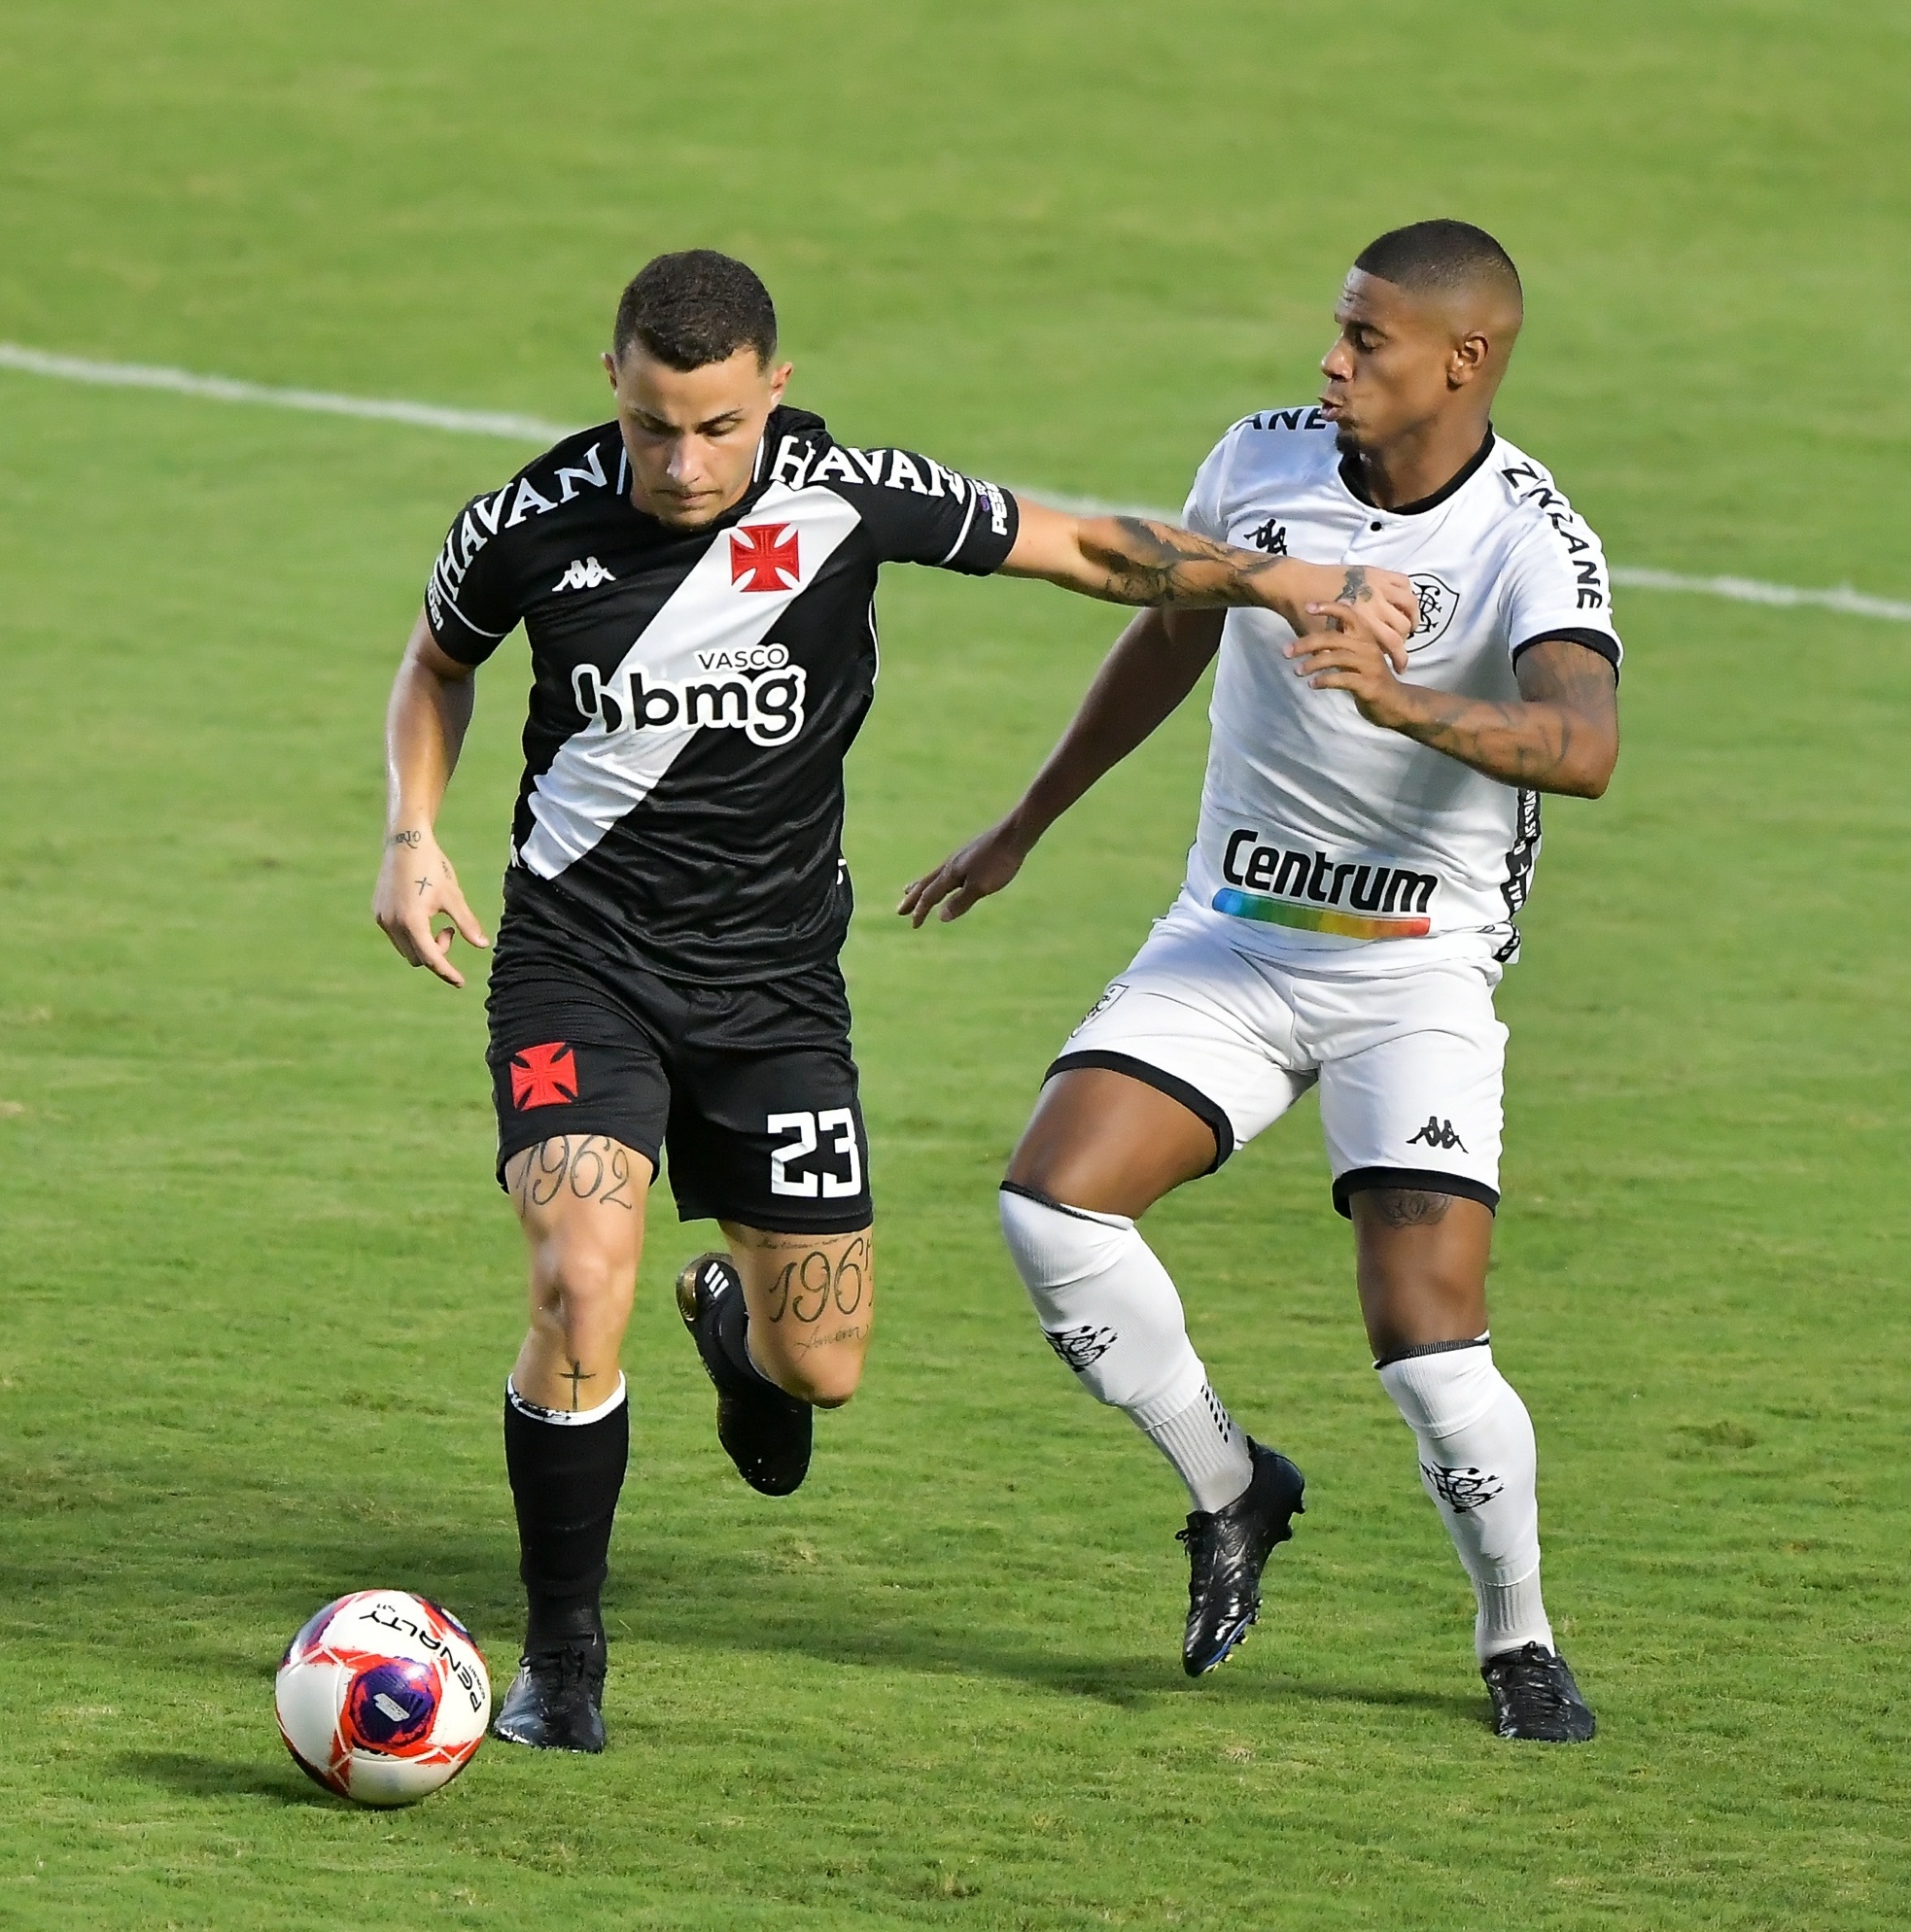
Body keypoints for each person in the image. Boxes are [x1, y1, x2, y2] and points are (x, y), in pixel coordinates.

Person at [371, 249, 1415, 1752]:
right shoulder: (527, 522)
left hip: (776, 992)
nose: (684, 461)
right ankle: (564, 1663)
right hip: (576, 967)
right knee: (572, 1280)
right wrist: (412, 833)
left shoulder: (848, 496)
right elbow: (435, 665)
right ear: (612, 382)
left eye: (719, 426)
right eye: (657, 425)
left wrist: (1297, 580)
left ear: (772, 392)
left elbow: (1084, 550)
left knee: (826, 1369)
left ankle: (736, 1328)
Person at [902, 220, 1618, 1742]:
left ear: (1464, 359)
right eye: (1337, 328)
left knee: (1426, 1350)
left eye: (1366, 339)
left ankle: (1517, 1638)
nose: (1331, 358)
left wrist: (1401, 698)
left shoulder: (1527, 537)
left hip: (1413, 972)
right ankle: (1232, 1484)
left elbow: (1583, 747)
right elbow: (1167, 635)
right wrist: (1027, 821)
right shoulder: (1259, 460)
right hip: (1230, 934)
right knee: (1049, 1204)